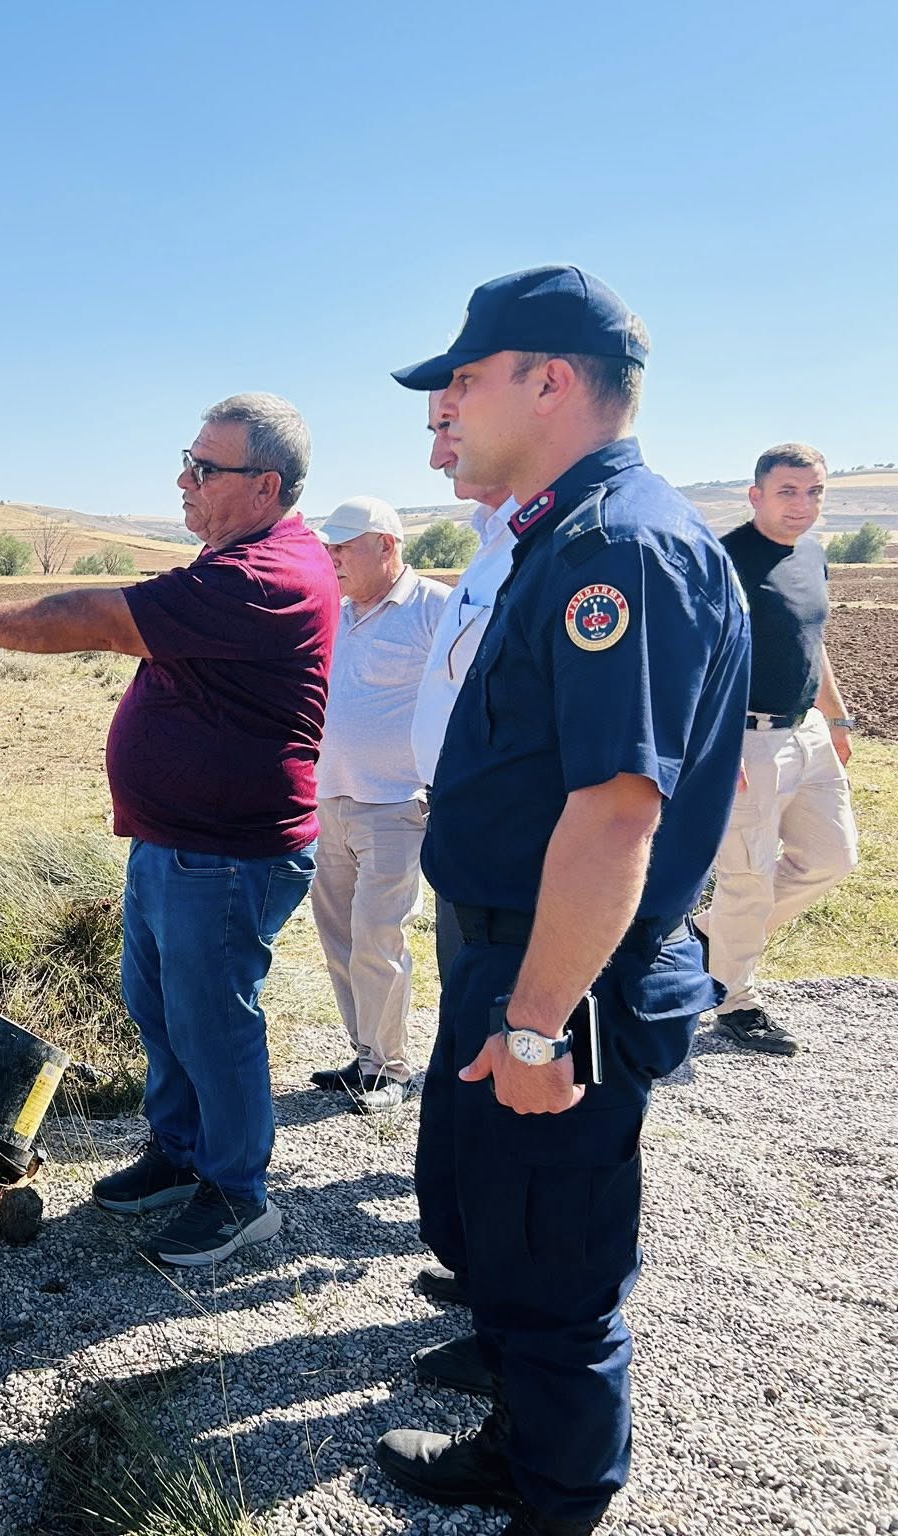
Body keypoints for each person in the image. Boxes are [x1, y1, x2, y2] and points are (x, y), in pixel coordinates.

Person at [375, 266, 748, 1536]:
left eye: (463, 380)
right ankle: (517, 1428)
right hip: (513, 951)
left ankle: (556, 1493)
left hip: (563, 974)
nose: (446, 407)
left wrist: (536, 1024)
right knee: (494, 1216)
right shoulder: (561, 532)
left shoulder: (616, 549)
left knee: (552, 1254)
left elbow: (613, 813)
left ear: (547, 382)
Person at [0, 393, 335, 1267]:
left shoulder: (263, 576)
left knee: (214, 1024)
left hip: (229, 854)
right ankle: (179, 1152)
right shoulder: (233, 559)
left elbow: (100, 619)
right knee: (161, 1010)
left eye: (206, 468)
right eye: (187, 460)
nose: (184, 480)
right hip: (177, 842)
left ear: (265, 486)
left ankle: (238, 1194)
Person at [403, 392, 519, 1341]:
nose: (439, 453)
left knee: (521, 1084)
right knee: (470, 1064)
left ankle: (523, 1324)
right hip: (467, 843)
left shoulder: (563, 548)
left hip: (522, 868)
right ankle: (487, 1271)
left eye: (451, 426)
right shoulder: (493, 543)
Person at [692, 443, 859, 1056]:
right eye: (788, 491)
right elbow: (696, 660)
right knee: (747, 875)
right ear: (756, 495)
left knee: (833, 858)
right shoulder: (723, 561)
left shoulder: (812, 554)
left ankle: (707, 935)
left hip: (808, 732)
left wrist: (835, 720)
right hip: (746, 738)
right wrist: (718, 744)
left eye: (814, 491)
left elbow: (812, 643)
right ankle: (734, 1000)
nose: (802, 504)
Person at [306, 495, 447, 1113]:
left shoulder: (435, 608)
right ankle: (365, 1054)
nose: (332, 558)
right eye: (329, 547)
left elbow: (465, 694)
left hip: (395, 804)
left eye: (344, 547)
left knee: (378, 936)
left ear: (387, 545)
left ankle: (390, 1068)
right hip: (328, 800)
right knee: (339, 935)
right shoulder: (336, 614)